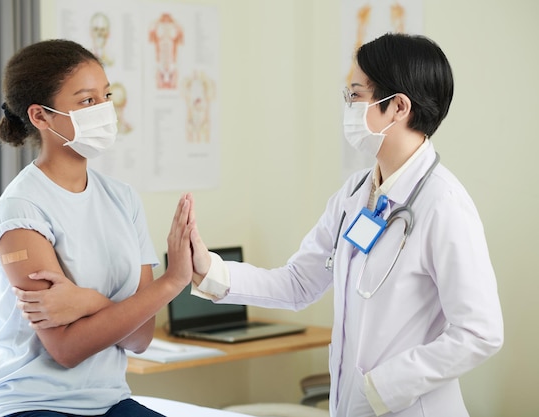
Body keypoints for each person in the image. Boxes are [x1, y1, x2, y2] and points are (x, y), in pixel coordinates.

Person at [189, 33, 504, 417]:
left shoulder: (444, 204)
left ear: (398, 107)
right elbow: (299, 282)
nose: (348, 106)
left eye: (356, 95)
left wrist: (385, 386)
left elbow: (480, 332)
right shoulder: (354, 194)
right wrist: (210, 270)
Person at [0, 39, 194, 417]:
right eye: (87, 101)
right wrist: (171, 282)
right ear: (41, 117)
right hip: (30, 403)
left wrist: (90, 302)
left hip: (108, 401)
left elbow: (141, 338)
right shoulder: (21, 211)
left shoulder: (123, 199)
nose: (105, 110)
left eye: (106, 96)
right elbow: (67, 349)